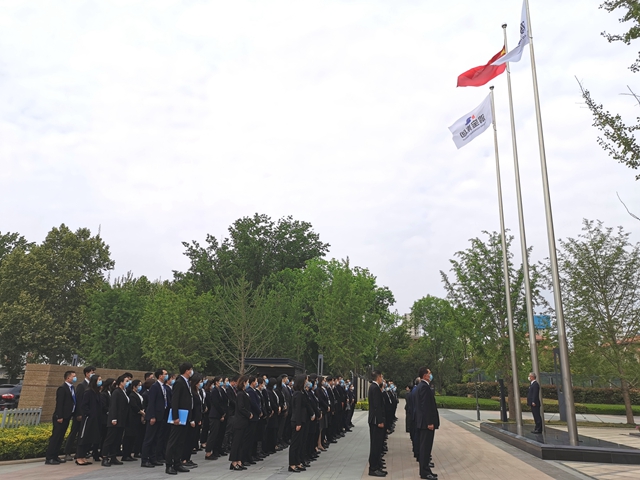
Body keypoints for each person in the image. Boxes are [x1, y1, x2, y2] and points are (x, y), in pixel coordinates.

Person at [165, 362, 194, 475]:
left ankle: (177, 463)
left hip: (185, 416)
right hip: (179, 417)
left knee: (181, 441)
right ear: (186, 371)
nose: (191, 372)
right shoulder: (179, 382)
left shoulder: (187, 382)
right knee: (173, 441)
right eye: (190, 369)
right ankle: (169, 465)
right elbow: (175, 401)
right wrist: (175, 417)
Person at [45, 370, 78, 465]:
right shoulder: (62, 388)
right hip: (60, 417)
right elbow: (59, 403)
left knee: (60, 437)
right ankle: (49, 457)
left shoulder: (72, 388)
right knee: (56, 437)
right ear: (68, 377)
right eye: (73, 376)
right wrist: (60, 416)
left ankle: (55, 456)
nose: (75, 378)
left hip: (67, 416)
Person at [64, 365, 95, 461]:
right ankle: (67, 452)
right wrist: (78, 414)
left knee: (83, 434)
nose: (93, 374)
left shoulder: (91, 386)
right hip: (80, 415)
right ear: (87, 373)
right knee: (74, 433)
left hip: (87, 415)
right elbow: (79, 400)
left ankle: (80, 453)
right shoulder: (82, 385)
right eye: (92, 372)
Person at [102, 373, 133, 467]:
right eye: (126, 381)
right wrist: (113, 418)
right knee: (110, 439)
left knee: (117, 439)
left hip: (122, 420)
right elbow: (113, 406)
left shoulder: (124, 392)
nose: (128, 383)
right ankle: (105, 457)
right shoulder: (116, 392)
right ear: (121, 382)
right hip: (115, 419)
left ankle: (113, 456)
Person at [415, 367, 439, 480]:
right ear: (425, 375)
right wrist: (429, 422)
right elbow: (425, 406)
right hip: (426, 424)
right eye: (429, 373)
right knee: (425, 448)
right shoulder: (424, 387)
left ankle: (426, 470)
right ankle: (424, 472)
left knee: (426, 448)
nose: (431, 375)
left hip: (424, 423)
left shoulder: (422, 386)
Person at [141, 368, 168, 468]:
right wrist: (152, 416)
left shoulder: (163, 386)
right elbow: (151, 402)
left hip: (161, 416)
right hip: (154, 416)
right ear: (160, 376)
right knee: (149, 439)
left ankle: (153, 458)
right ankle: (144, 460)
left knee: (156, 438)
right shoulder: (155, 387)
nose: (166, 376)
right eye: (165, 374)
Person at [76, 374, 103, 466]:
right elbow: (84, 405)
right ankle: (79, 457)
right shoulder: (88, 392)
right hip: (88, 419)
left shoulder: (97, 392)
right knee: (84, 437)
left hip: (96, 419)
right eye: (99, 380)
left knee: (90, 438)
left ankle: (84, 456)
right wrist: (89, 414)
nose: (100, 381)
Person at [230, 375, 251, 471]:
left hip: (244, 421)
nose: (247, 384)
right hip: (240, 421)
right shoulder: (240, 394)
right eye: (247, 382)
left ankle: (239, 460)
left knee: (241, 442)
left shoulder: (244, 393)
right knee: (237, 442)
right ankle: (234, 462)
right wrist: (248, 414)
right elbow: (241, 407)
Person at [367, 370, 386, 477]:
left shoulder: (374, 387)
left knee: (378, 445)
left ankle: (377, 465)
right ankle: (373, 468)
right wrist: (380, 421)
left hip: (375, 420)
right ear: (378, 377)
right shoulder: (375, 388)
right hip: (375, 421)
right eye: (381, 376)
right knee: (375, 445)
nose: (382, 379)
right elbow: (376, 406)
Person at [122, 379, 145, 461]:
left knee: (134, 437)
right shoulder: (132, 395)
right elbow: (134, 406)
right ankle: (126, 454)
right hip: (132, 418)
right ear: (134, 386)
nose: (140, 387)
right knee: (129, 436)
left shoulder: (138, 394)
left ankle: (129, 454)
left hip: (137, 418)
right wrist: (141, 412)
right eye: (139, 385)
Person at [288, 374, 308, 473]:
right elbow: (297, 409)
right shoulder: (298, 394)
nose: (306, 383)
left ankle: (297, 462)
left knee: (299, 443)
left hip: (301, 420)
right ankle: (292, 464)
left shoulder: (301, 392)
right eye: (305, 381)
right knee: (295, 444)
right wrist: (298, 423)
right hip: (297, 421)